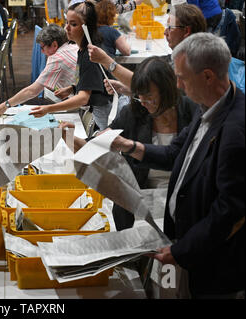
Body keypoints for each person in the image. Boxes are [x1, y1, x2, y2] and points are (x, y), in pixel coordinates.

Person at [111, 32, 245, 298]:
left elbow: (228, 210)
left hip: (216, 267)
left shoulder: (235, 129)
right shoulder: (207, 106)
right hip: (192, 249)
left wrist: (182, 251)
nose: (179, 86)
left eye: (182, 78)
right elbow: (175, 153)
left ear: (207, 76)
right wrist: (130, 146)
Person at [61, 56, 199, 230]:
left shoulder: (192, 112)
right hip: (140, 205)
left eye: (149, 97)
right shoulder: (134, 114)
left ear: (167, 91)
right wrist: (69, 137)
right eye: (140, 97)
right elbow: (94, 147)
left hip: (183, 202)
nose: (144, 103)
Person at [87, 3, 207, 97]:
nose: (165, 32)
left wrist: (108, 62)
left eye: (170, 28)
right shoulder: (178, 58)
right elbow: (153, 90)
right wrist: (126, 89)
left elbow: (149, 85)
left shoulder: (189, 65)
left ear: (186, 31)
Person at [30, 0, 112, 132]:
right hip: (97, 108)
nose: (66, 28)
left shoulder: (89, 54)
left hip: (102, 110)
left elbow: (83, 98)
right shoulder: (82, 49)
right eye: (66, 22)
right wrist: (72, 88)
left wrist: (48, 109)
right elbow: (92, 81)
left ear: (87, 27)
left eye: (73, 24)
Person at [0, 24, 78, 115]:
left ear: (54, 45)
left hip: (85, 103)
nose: (41, 51)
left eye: (42, 47)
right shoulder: (73, 46)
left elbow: (32, 91)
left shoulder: (57, 58)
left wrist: (6, 105)